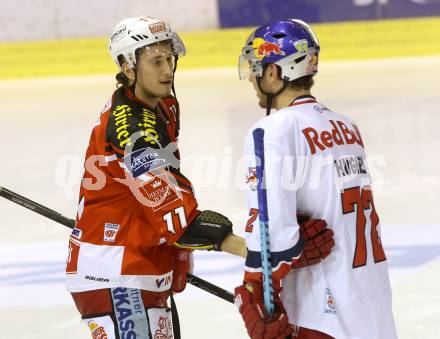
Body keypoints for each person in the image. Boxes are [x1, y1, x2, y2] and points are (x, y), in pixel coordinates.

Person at [65, 16, 234, 339]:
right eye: (155, 61)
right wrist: (258, 253)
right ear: (128, 67)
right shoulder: (130, 127)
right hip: (115, 272)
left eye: (169, 58)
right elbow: (174, 211)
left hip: (139, 263)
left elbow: (165, 187)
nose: (167, 70)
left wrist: (176, 251)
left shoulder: (163, 105)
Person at [234, 19, 398, 339]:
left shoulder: (271, 131)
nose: (252, 79)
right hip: (372, 305)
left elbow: (271, 232)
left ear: (273, 73)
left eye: (257, 68)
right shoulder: (346, 127)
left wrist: (254, 288)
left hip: (321, 315)